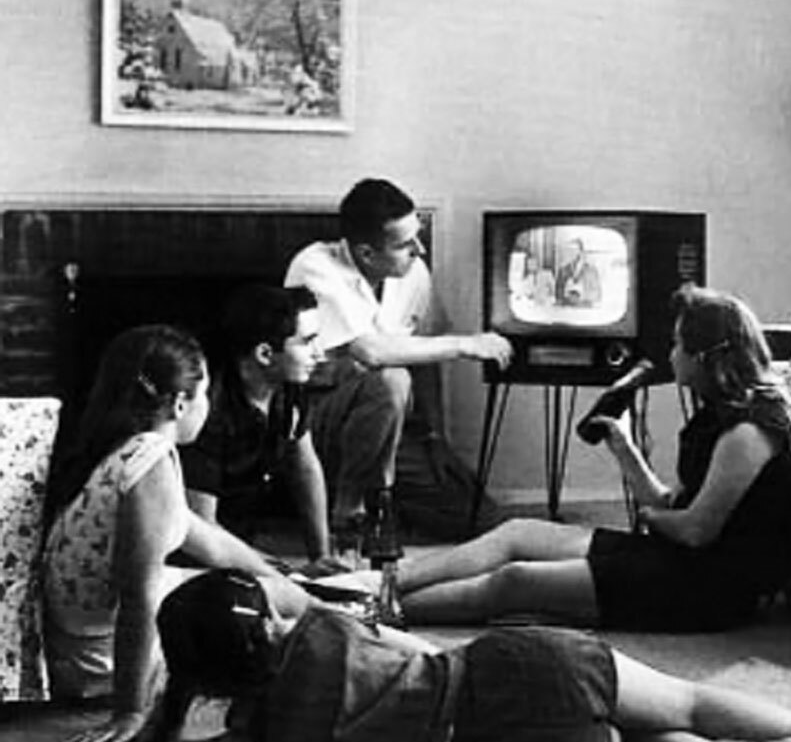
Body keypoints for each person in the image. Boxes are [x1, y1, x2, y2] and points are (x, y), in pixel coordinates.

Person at [133, 569, 791, 742]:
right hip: (517, 678)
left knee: (615, 739)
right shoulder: (325, 628)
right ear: (271, 621)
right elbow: (288, 595)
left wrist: (171, 704)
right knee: (686, 693)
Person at [378, 285, 791, 632]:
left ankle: (383, 613)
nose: (671, 353)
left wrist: (651, 521)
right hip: (673, 557)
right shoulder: (712, 419)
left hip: (706, 588)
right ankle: (383, 585)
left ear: (704, 357)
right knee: (517, 534)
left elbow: (693, 530)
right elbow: (669, 505)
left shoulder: (748, 433)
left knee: (517, 580)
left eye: (678, 345)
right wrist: (623, 448)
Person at [40, 325, 287, 742]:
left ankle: (360, 595)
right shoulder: (151, 462)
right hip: (101, 661)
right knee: (263, 605)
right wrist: (130, 711)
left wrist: (279, 569)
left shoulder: (121, 448)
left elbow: (203, 538)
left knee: (276, 585)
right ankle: (366, 605)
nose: (208, 406)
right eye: (205, 393)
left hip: (80, 647)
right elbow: (140, 597)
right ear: (179, 404)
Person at [283, 178, 513, 534]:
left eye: (416, 236)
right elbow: (371, 351)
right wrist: (465, 344)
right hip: (317, 424)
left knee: (482, 520)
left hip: (391, 427)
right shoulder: (314, 266)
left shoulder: (412, 271)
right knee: (392, 378)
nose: (419, 249)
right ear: (365, 253)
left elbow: (426, 356)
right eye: (405, 244)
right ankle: (349, 507)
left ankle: (382, 498)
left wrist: (436, 436)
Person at [179, 284, 340, 571]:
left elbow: (305, 467)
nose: (321, 354)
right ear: (265, 354)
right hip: (194, 558)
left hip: (241, 545)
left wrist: (321, 555)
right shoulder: (207, 412)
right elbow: (201, 528)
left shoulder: (290, 390)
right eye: (307, 342)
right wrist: (281, 570)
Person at [555, 236, 602, 306]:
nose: (570, 253)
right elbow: (558, 295)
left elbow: (597, 295)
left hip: (585, 310)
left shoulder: (591, 270)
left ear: (580, 252)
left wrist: (581, 297)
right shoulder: (562, 270)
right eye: (568, 250)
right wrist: (566, 297)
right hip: (567, 310)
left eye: (574, 250)